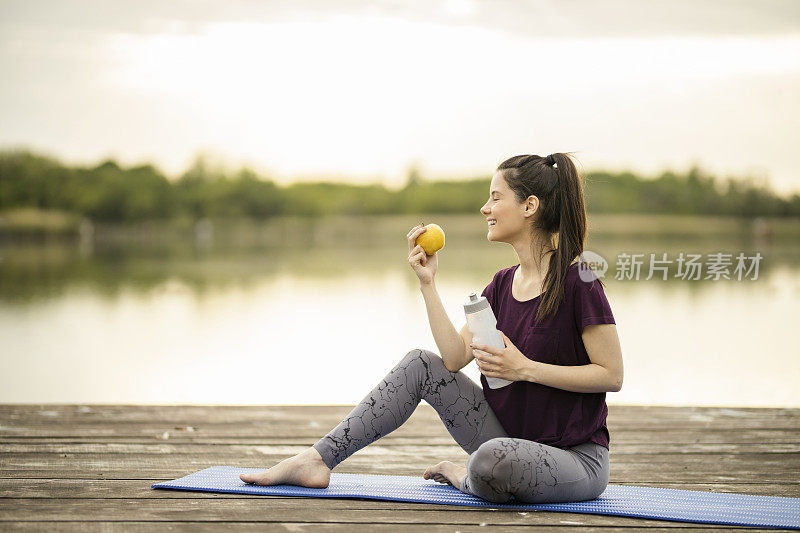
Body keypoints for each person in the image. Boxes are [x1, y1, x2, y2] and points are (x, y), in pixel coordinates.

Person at [240, 152, 624, 504]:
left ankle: (463, 474)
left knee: (490, 462)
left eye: (495, 197)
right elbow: (454, 359)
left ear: (529, 206)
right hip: (507, 439)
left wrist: (524, 369)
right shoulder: (501, 285)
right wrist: (428, 283)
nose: (484, 207)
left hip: (575, 458)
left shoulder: (579, 282)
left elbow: (611, 375)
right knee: (420, 364)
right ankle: (317, 459)